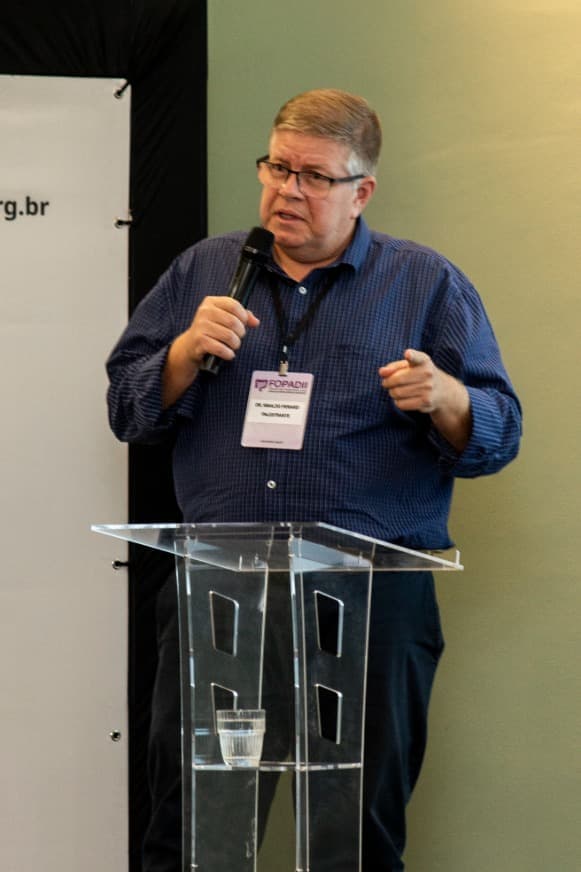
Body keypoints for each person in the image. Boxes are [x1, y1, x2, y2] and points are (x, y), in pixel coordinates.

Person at [107, 88, 522, 871]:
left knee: (352, 836)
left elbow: (498, 433)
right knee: (191, 828)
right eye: (276, 168)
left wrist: (446, 398)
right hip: (222, 595)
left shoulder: (424, 283)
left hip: (370, 598)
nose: (287, 190)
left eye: (314, 177)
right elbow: (127, 409)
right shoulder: (203, 270)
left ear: (361, 191)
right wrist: (182, 353)